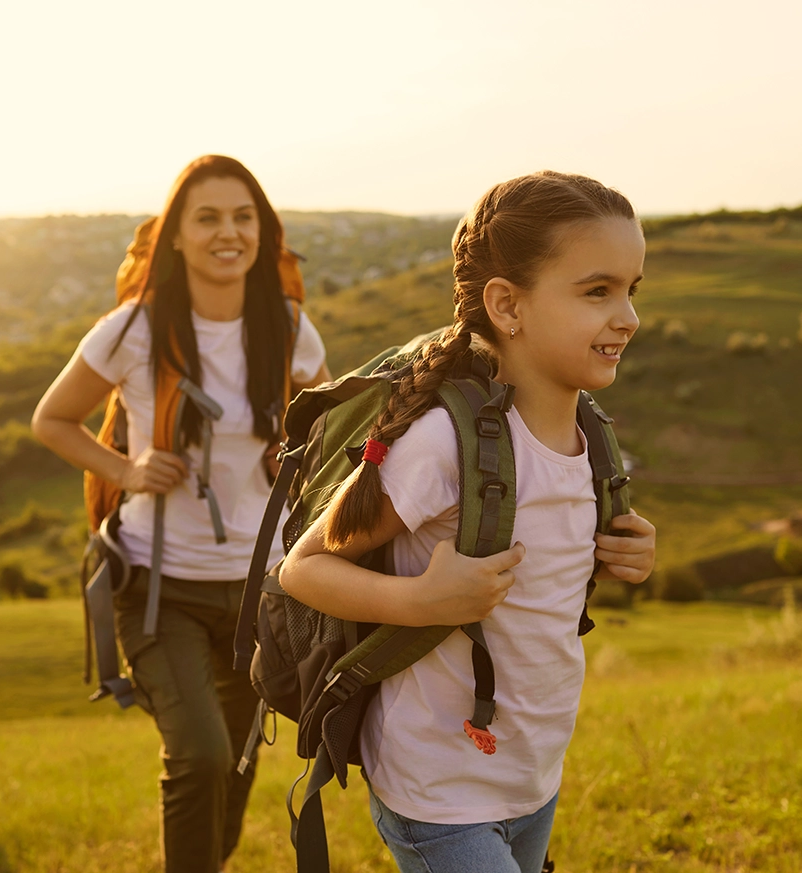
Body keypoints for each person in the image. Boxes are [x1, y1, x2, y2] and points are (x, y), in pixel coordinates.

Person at [278, 171, 658, 873]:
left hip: (531, 774)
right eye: (597, 290)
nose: (627, 316)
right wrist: (421, 601)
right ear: (507, 305)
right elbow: (302, 567)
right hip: (439, 788)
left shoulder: (590, 435)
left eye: (632, 289)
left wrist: (621, 552)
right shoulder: (443, 445)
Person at [32, 155, 330, 873]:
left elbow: (333, 433)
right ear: (175, 237)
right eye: (208, 218)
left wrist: (293, 455)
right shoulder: (134, 327)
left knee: (230, 766)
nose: (228, 232)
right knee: (198, 756)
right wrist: (127, 467)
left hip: (262, 591)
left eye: (242, 217)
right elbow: (53, 419)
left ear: (264, 231)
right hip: (159, 584)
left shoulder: (288, 325)